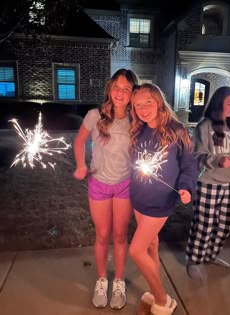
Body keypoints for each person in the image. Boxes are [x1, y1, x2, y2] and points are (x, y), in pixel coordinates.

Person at [128, 83, 198, 315]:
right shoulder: (138, 130)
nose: (143, 108)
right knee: (150, 246)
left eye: (148, 101)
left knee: (136, 251)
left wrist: (186, 187)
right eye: (137, 105)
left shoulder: (177, 130)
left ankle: (162, 298)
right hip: (138, 198)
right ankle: (153, 287)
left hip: (160, 201)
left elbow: (189, 165)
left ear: (159, 101)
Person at [73, 68, 138, 309]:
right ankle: (102, 279)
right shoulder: (94, 115)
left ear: (133, 94)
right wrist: (81, 164)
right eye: (116, 87)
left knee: (120, 236)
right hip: (98, 184)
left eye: (126, 89)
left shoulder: (136, 119)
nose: (120, 93)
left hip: (125, 185)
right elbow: (79, 141)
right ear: (109, 88)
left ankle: (118, 281)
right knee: (102, 235)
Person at [185, 86, 230, 280]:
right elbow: (196, 156)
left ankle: (210, 255)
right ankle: (194, 260)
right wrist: (217, 161)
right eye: (229, 104)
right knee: (204, 225)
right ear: (218, 103)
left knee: (224, 225)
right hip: (209, 183)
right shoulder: (204, 126)